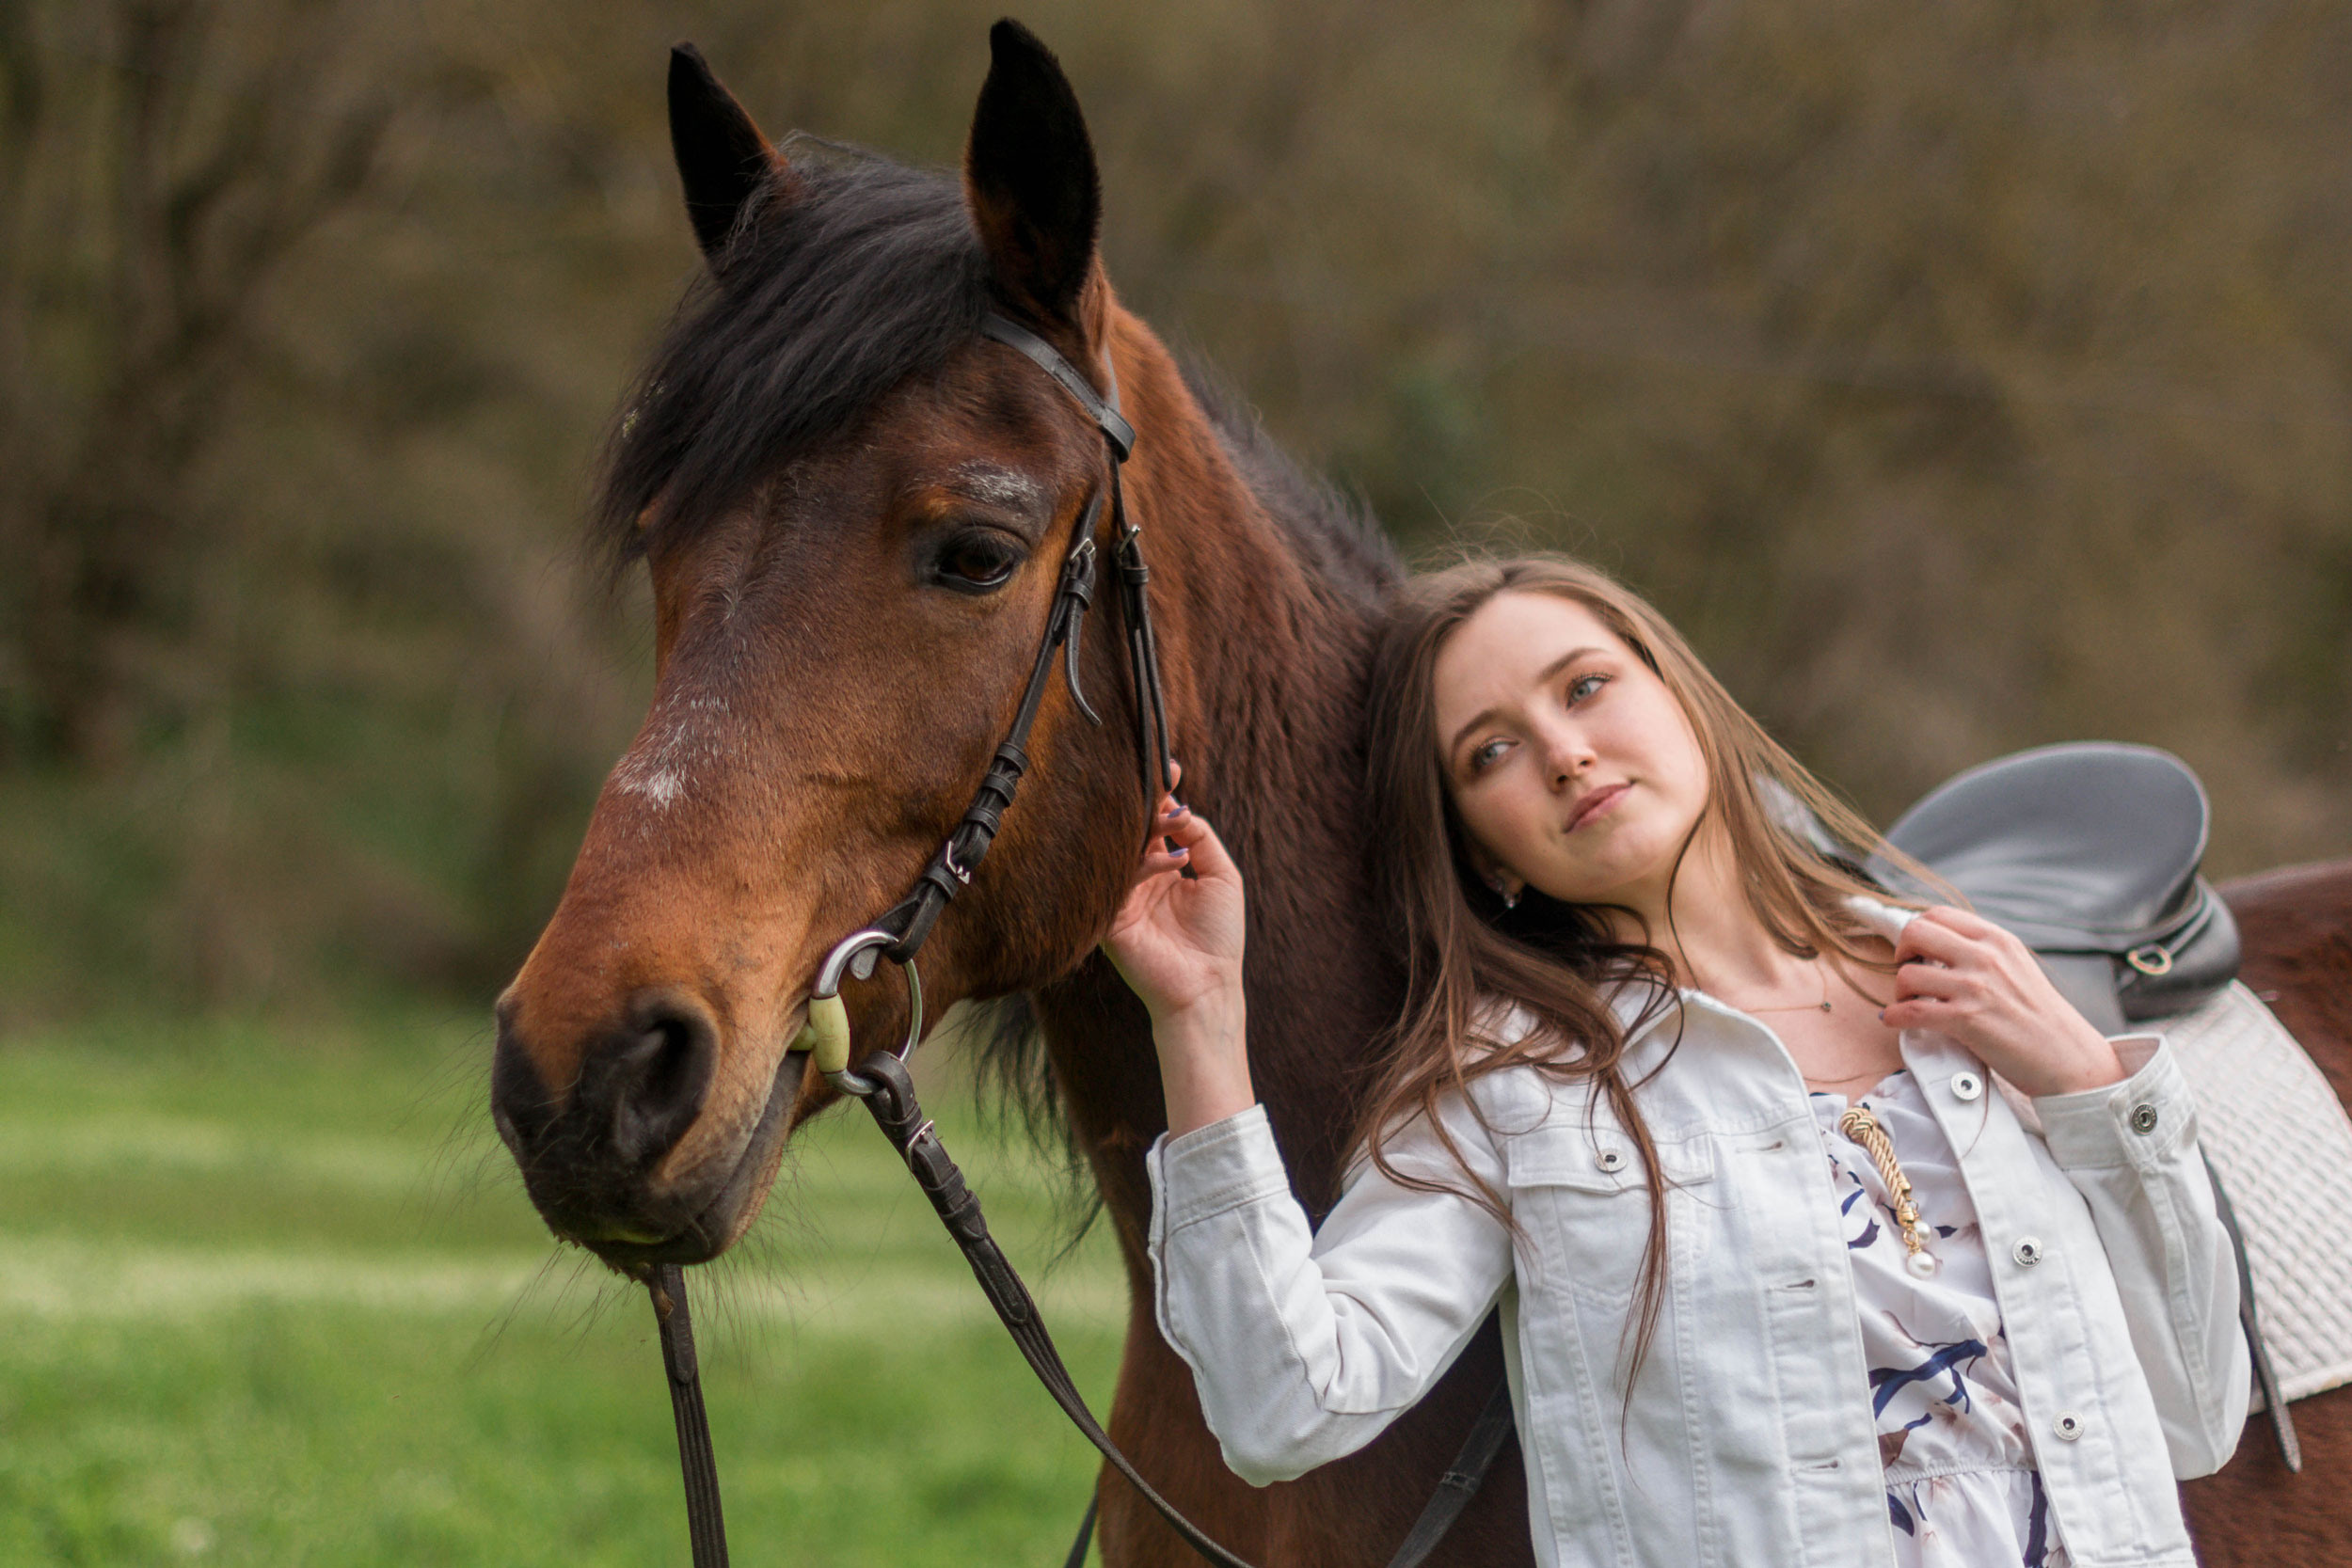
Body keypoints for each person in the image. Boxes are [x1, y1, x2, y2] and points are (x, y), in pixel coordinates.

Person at [1104, 556, 2249, 1568]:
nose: (1562, 751)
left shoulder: (1969, 989)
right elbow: (1283, 1405)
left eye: (1586, 685)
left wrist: (2091, 1083)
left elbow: (2197, 1412)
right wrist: (1200, 1014)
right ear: (1480, 851)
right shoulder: (1511, 1086)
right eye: (1490, 750)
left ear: (1682, 697)